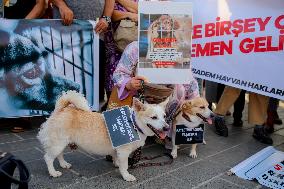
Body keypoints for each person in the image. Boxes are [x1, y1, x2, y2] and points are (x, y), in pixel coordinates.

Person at [113, 41, 200, 133]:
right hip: (140, 94)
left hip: (171, 97)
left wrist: (196, 103)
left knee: (181, 91)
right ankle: (139, 129)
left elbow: (189, 79)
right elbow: (119, 74)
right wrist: (129, 83)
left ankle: (166, 131)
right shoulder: (135, 47)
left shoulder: (181, 49)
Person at [104, 0, 138, 99]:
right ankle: (115, 106)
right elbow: (109, 14)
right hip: (116, 44)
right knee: (114, 78)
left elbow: (142, 9)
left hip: (135, 46)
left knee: (134, 79)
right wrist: (129, 14)